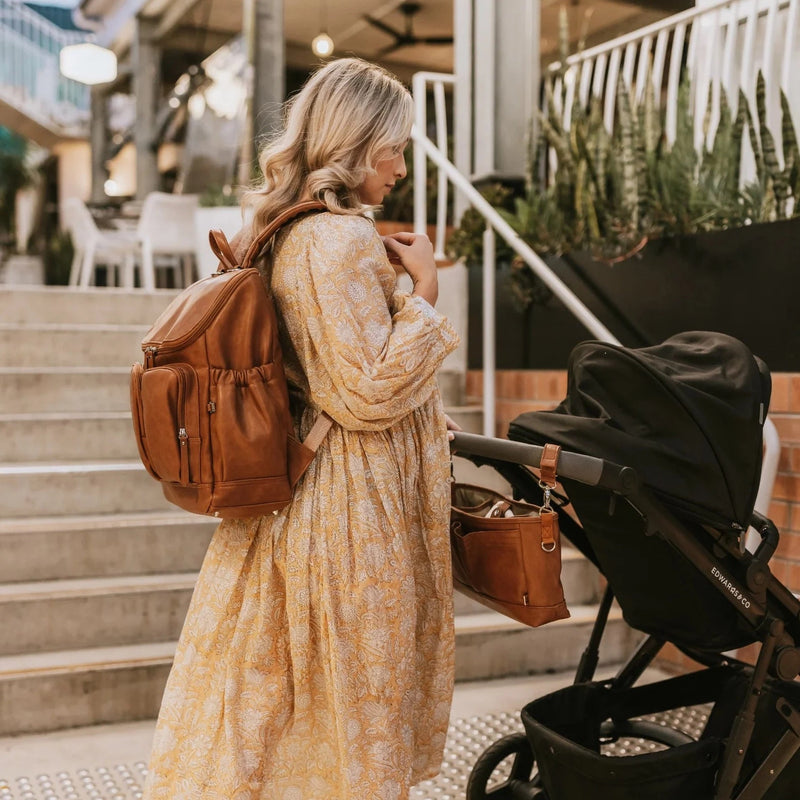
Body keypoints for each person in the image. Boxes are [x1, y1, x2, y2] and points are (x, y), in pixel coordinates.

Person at [142, 57, 461, 800]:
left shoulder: (283, 232)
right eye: (395, 148)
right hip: (349, 509)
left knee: (285, 711)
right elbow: (368, 390)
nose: (402, 167)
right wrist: (425, 294)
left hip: (301, 502)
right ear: (358, 143)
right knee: (354, 708)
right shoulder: (340, 239)